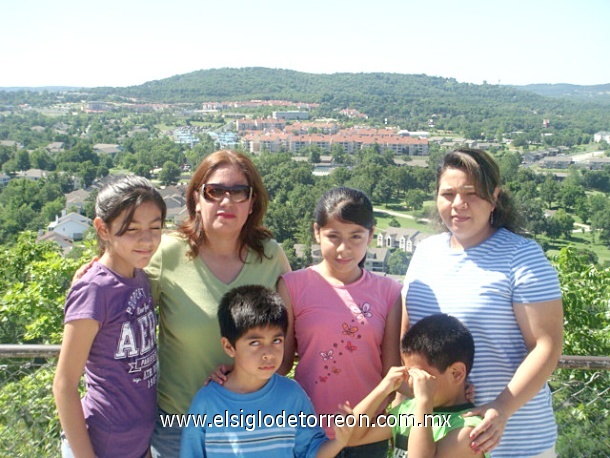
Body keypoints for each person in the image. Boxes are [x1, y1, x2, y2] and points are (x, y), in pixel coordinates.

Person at [402, 148, 563, 457]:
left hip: (514, 442)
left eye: (471, 194)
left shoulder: (523, 256)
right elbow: (408, 334)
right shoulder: (425, 253)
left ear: (495, 197)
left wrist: (502, 408)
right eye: (448, 194)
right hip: (439, 442)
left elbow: (547, 345)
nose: (458, 204)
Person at [147, 150, 291, 456]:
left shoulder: (269, 255)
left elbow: (295, 329)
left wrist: (258, 375)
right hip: (180, 424)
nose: (226, 201)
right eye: (214, 191)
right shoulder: (167, 253)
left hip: (254, 422)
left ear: (252, 203)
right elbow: (121, 302)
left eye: (239, 192)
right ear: (196, 200)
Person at [277, 186, 402, 457]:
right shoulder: (292, 286)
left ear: (371, 235)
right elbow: (281, 361)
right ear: (316, 232)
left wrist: (447, 391)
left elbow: (391, 374)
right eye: (333, 236)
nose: (344, 248)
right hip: (308, 433)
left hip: (367, 435)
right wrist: (236, 374)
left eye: (356, 236)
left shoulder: (389, 292)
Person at [54, 175, 167, 458]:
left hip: (138, 444)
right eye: (131, 229)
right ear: (102, 229)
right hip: (101, 445)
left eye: (155, 227)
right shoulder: (94, 289)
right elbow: (65, 384)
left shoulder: (138, 276)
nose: (147, 239)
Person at [180, 285, 353, 458]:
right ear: (229, 346)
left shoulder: (292, 395)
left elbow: (311, 452)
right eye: (255, 343)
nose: (268, 354)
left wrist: (340, 441)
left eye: (276, 340)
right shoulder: (207, 402)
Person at [350, 313, 489, 458]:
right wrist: (382, 389)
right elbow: (349, 436)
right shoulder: (409, 410)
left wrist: (424, 402)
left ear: (456, 374)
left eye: (419, 376)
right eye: (409, 373)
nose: (410, 382)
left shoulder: (469, 432)